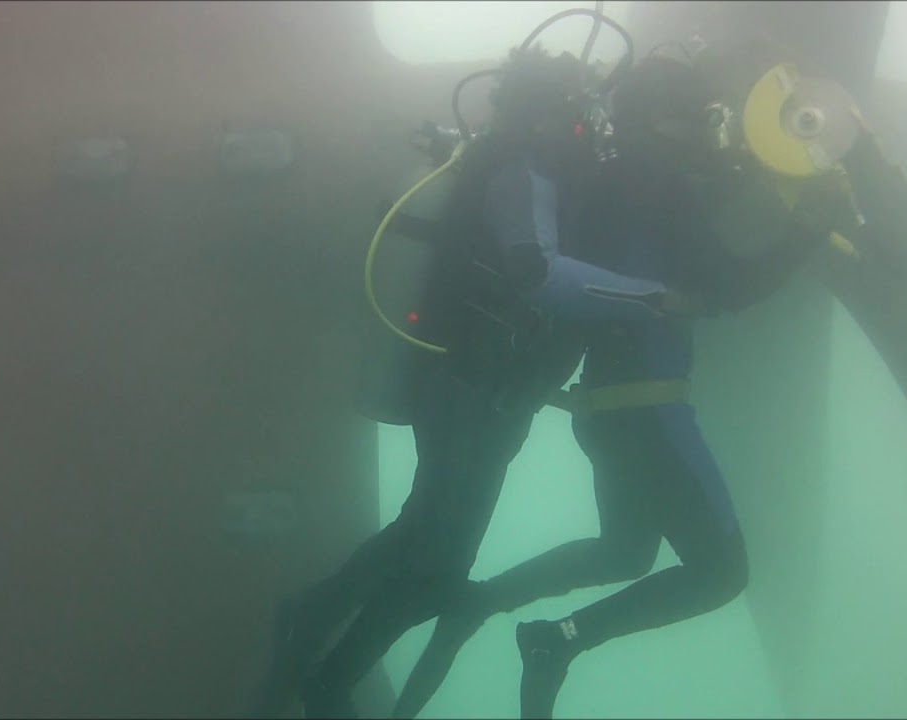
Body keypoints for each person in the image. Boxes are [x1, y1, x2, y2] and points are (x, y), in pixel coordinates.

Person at [251, 46, 701, 720]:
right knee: (436, 550)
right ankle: (319, 660)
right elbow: (535, 270)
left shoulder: (519, 160)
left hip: (490, 393)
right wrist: (652, 296)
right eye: (570, 112)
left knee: (430, 542)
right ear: (545, 111)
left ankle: (313, 642)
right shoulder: (522, 170)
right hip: (472, 391)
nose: (581, 127)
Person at [391, 52, 832, 720]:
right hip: (651, 410)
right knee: (721, 574)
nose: (710, 137)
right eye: (704, 120)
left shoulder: (602, 183)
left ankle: (481, 604)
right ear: (665, 118)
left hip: (604, 412)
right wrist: (810, 228)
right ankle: (555, 642)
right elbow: (730, 285)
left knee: (624, 552)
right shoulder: (660, 182)